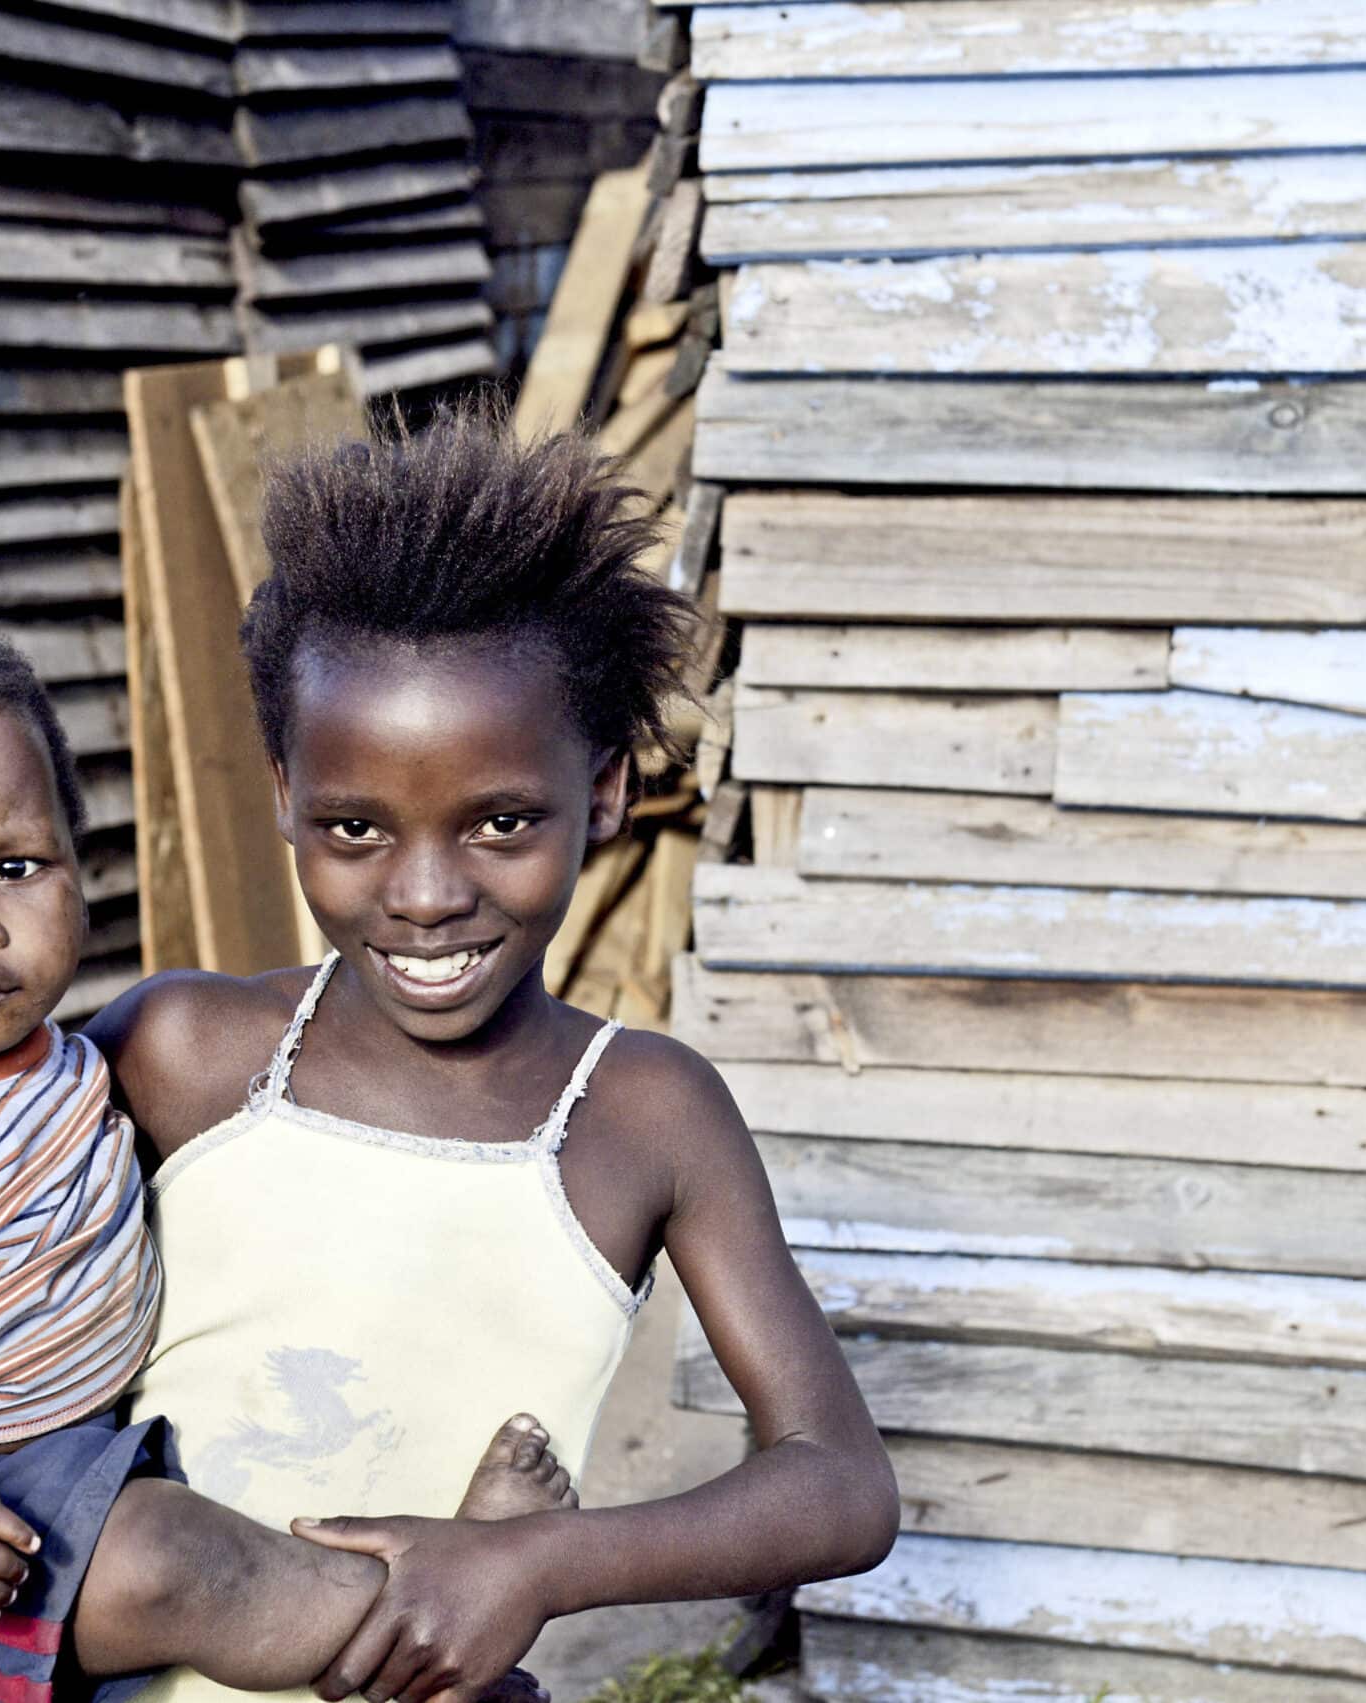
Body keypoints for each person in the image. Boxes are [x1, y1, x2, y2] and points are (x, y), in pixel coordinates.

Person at [85, 412, 900, 1703]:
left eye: (502, 822)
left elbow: (840, 1481)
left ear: (611, 790)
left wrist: (535, 1560)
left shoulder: (642, 1113)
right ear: (284, 790)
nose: (423, 894)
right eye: (354, 825)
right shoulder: (185, 1051)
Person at [0, 614, 574, 1703]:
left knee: (251, 1481)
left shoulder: (52, 1061)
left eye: (14, 864)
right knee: (178, 1558)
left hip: (49, 1471)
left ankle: (426, 1591)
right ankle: (447, 1655)